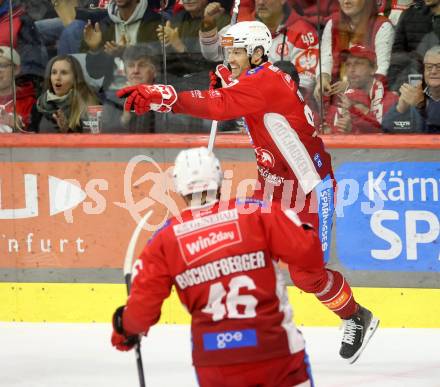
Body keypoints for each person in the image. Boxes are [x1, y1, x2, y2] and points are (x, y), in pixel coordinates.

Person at [116, 21, 379, 363]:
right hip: (271, 185)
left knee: (306, 274)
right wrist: (227, 78)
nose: (231, 58)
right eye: (229, 52)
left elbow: (218, 107)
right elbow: (234, 94)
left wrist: (161, 97)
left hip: (308, 189)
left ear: (258, 53)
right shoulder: (257, 78)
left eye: (237, 52)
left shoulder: (266, 82)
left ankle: (356, 316)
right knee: (249, 252)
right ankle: (265, 326)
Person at [111, 148, 378, 387]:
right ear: (218, 181)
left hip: (215, 362)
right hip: (276, 352)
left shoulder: (165, 238)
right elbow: (308, 255)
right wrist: (304, 228)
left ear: (180, 188)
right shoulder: (256, 212)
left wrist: (124, 329)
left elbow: (140, 313)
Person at [314, 0, 394, 102]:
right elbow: (326, 58)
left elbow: (382, 70)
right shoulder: (333, 23)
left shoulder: (382, 26)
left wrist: (351, 87)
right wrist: (322, 79)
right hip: (335, 101)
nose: (346, 1)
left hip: (368, 104)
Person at [324, 45, 398, 133]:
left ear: (373, 68)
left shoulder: (391, 101)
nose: (351, 69)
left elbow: (392, 138)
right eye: (348, 64)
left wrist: (354, 130)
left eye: (358, 63)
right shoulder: (337, 103)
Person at [30, 54, 99, 133]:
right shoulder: (40, 104)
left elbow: (92, 141)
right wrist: (19, 127)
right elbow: (31, 135)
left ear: (75, 78)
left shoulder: (88, 104)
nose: (57, 77)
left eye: (64, 73)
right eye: (54, 72)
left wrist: (67, 131)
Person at [101, 44, 158, 132]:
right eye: (131, 65)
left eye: (142, 65)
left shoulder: (166, 99)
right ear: (125, 71)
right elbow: (104, 136)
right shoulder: (112, 101)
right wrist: (125, 118)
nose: (135, 70)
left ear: (154, 71)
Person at [383, 45, 440, 132]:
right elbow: (387, 127)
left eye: (439, 66)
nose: (433, 71)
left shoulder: (418, 99)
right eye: (429, 67)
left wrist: (421, 105)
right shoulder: (417, 95)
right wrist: (401, 108)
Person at [0, 46, 36, 132]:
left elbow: (37, 135)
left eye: (3, 65)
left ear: (16, 69)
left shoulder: (30, 102)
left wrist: (19, 129)